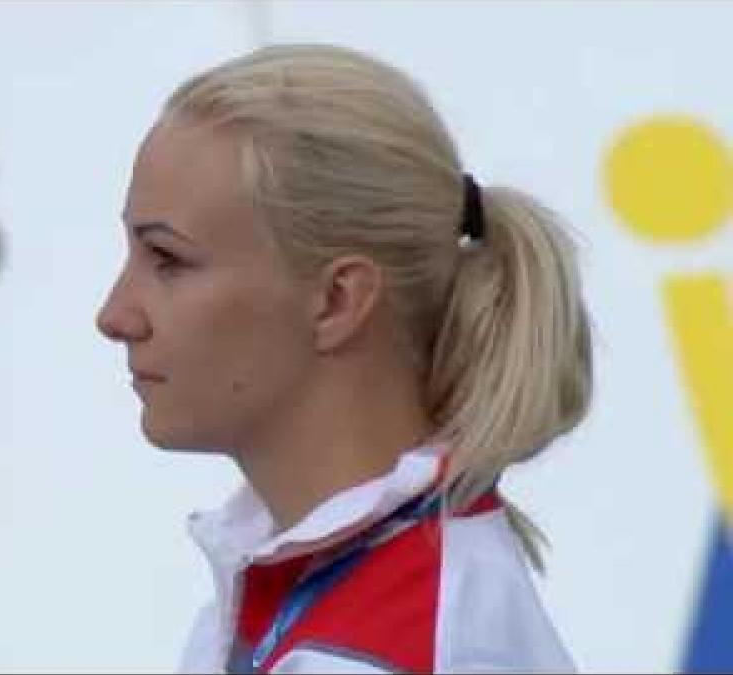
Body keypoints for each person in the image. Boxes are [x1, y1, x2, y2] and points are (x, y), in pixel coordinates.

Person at [95, 44, 591, 674]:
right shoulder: (303, 589)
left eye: (168, 260)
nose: (115, 316)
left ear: (336, 300)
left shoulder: (402, 644)